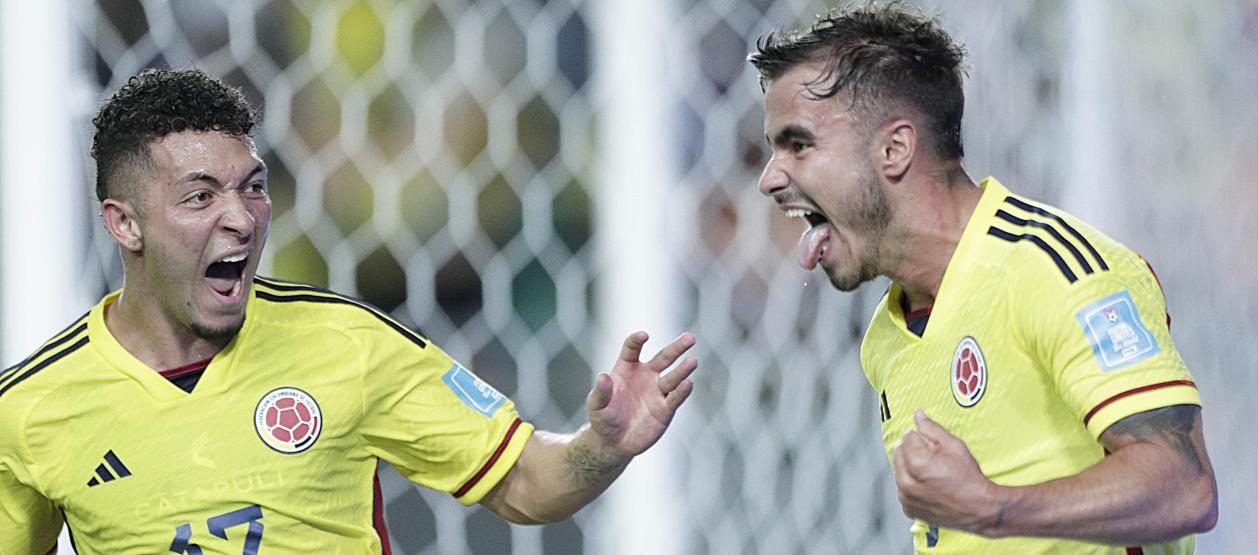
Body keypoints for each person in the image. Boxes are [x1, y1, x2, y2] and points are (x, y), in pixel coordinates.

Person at [0, 68, 698, 554]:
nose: (241, 218)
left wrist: (597, 449)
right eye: (201, 196)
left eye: (253, 188)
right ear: (125, 225)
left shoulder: (346, 342)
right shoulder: (31, 409)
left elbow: (522, 480)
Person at [749, 3, 1216, 553]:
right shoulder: (888, 335)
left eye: (798, 144)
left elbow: (1186, 487)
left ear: (894, 149)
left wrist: (991, 507)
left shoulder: (1054, 268)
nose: (769, 178)